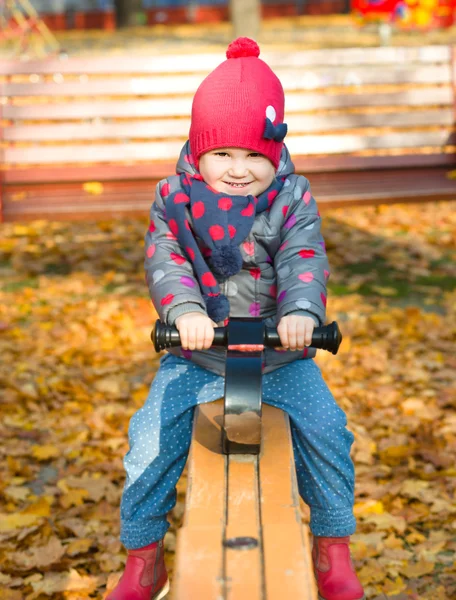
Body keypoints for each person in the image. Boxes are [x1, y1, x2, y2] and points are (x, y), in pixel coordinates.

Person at [107, 37, 364, 600]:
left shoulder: (292, 198)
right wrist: (185, 311)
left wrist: (300, 311)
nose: (240, 170)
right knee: (148, 437)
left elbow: (303, 256)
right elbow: (166, 258)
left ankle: (332, 544)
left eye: (255, 156)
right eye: (223, 154)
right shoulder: (173, 198)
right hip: (198, 354)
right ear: (197, 151)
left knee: (327, 430)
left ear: (274, 156)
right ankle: (143, 555)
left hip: (279, 358)